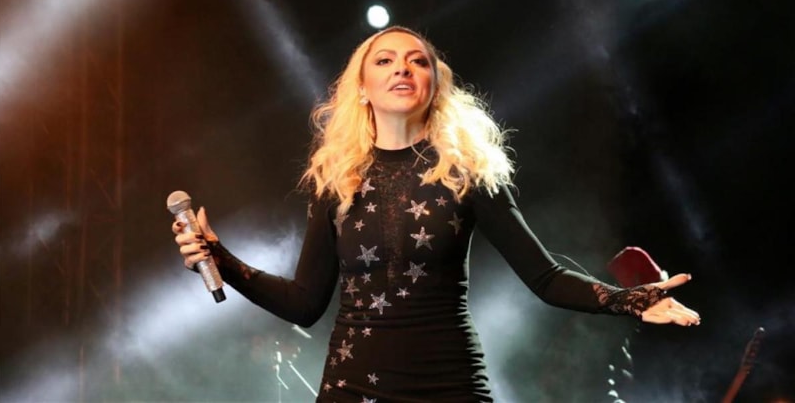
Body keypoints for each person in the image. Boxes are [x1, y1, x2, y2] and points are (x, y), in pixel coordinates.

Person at [172, 26, 700, 402]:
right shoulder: (338, 182)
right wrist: (221, 258)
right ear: (362, 88)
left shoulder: (467, 173)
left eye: (417, 60)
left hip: (449, 386)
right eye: (384, 60)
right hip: (352, 389)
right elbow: (306, 303)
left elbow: (545, 278)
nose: (402, 67)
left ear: (434, 85)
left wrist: (629, 301)